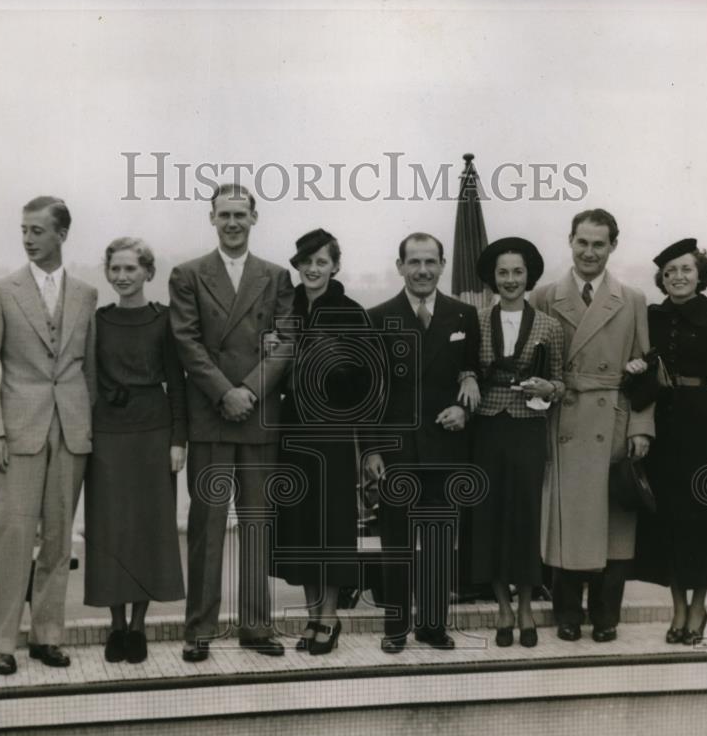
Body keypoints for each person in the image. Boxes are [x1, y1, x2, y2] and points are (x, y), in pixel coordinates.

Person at [0, 196, 97, 675]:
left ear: (62, 233)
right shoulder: (0, 292)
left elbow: (86, 369)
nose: (27, 238)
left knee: (60, 542)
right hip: (17, 433)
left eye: (38, 230)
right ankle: (2, 642)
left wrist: (87, 430)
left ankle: (48, 637)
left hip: (71, 432)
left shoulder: (86, 294)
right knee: (13, 537)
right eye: (24, 229)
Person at [168, 183, 294, 662]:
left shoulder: (277, 276)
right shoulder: (188, 274)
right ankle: (198, 629)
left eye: (241, 214)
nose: (233, 222)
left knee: (258, 525)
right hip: (212, 417)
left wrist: (250, 391)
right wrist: (226, 392)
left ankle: (257, 628)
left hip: (258, 416)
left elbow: (284, 341)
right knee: (207, 526)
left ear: (255, 218)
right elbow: (187, 343)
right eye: (225, 215)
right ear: (212, 218)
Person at [529, 208, 653, 644]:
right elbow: (532, 362)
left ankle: (605, 617)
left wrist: (640, 427)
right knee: (565, 522)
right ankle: (566, 613)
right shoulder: (544, 296)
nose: (589, 252)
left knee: (613, 526)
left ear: (613, 247)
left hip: (612, 423)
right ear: (570, 241)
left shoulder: (632, 298)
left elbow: (646, 373)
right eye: (582, 242)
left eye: (599, 244)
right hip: (564, 417)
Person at [364, 232, 481, 654]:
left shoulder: (464, 316)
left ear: (443, 264)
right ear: (400, 267)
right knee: (395, 541)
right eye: (414, 262)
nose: (423, 270)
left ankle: (432, 625)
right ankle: (395, 627)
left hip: (445, 449)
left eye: (430, 261)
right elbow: (369, 393)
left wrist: (463, 409)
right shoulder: (377, 317)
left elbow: (473, 372)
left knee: (437, 538)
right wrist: (371, 449)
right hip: (396, 451)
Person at [626, 238, 707, 645]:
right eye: (670, 271)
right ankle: (677, 607)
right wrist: (637, 366)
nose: (678, 277)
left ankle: (698, 607)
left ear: (700, 275)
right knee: (669, 519)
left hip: (704, 426)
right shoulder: (651, 316)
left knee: (703, 519)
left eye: (686, 270)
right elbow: (639, 368)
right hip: (663, 426)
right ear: (662, 277)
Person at [83, 237, 188, 664]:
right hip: (106, 434)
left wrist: (179, 440)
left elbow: (178, 383)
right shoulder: (97, 321)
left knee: (149, 529)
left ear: (148, 272)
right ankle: (115, 626)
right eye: (116, 269)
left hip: (154, 432)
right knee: (109, 529)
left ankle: (139, 627)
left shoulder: (164, 320)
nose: (122, 277)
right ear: (107, 273)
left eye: (131, 269)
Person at [273, 228, 374, 656]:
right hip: (291, 428)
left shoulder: (351, 313)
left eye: (321, 261)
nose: (313, 269)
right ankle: (313, 615)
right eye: (306, 262)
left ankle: (330, 620)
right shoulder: (285, 307)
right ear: (296, 265)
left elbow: (369, 383)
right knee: (301, 527)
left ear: (335, 266)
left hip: (332, 430)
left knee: (330, 526)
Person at [471, 237, 565, 648]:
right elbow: (465, 369)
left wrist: (549, 386)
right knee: (489, 518)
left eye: (518, 272)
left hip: (528, 427)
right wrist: (468, 378)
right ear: (493, 277)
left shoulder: (548, 325)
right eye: (503, 272)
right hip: (487, 427)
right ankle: (502, 608)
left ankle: (526, 606)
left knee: (525, 518)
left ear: (530, 277)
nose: (510, 280)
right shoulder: (474, 320)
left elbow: (561, 380)